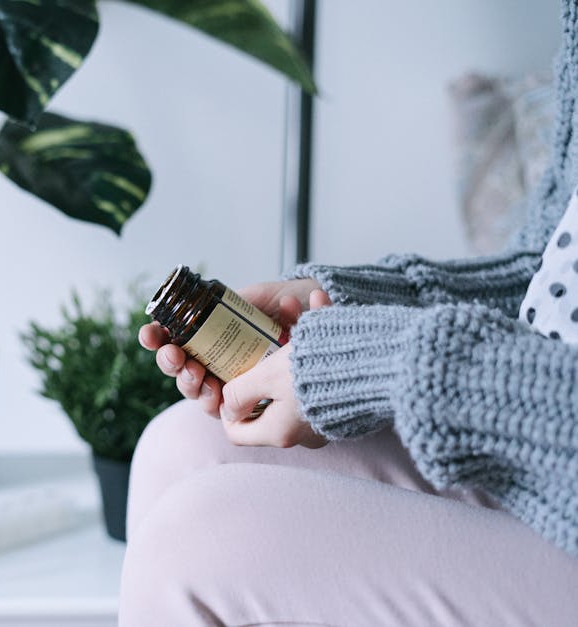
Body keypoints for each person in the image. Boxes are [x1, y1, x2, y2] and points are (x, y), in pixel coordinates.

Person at [119, 3, 578, 625]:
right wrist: (343, 302)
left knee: (195, 545)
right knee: (178, 446)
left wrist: (377, 363)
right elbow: (549, 272)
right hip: (535, 444)